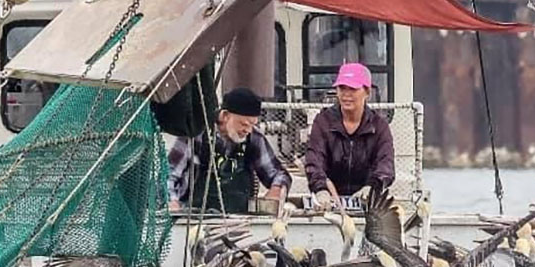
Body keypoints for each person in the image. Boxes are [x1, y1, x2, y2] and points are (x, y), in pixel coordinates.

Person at [168, 87, 291, 214]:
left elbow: (279, 174)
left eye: (252, 125)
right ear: (225, 116)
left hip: (239, 219)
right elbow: (169, 175)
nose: (248, 130)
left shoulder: (254, 138)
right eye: (243, 124)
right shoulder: (196, 134)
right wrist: (172, 201)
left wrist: (276, 189)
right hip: (193, 217)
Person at [304, 63, 394, 210]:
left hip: (367, 206)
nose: (346, 94)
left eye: (352, 89)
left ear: (367, 92)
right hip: (329, 203)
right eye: (342, 88)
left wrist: (372, 187)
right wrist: (321, 189)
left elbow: (386, 165)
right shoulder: (323, 121)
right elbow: (314, 160)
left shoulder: (379, 126)